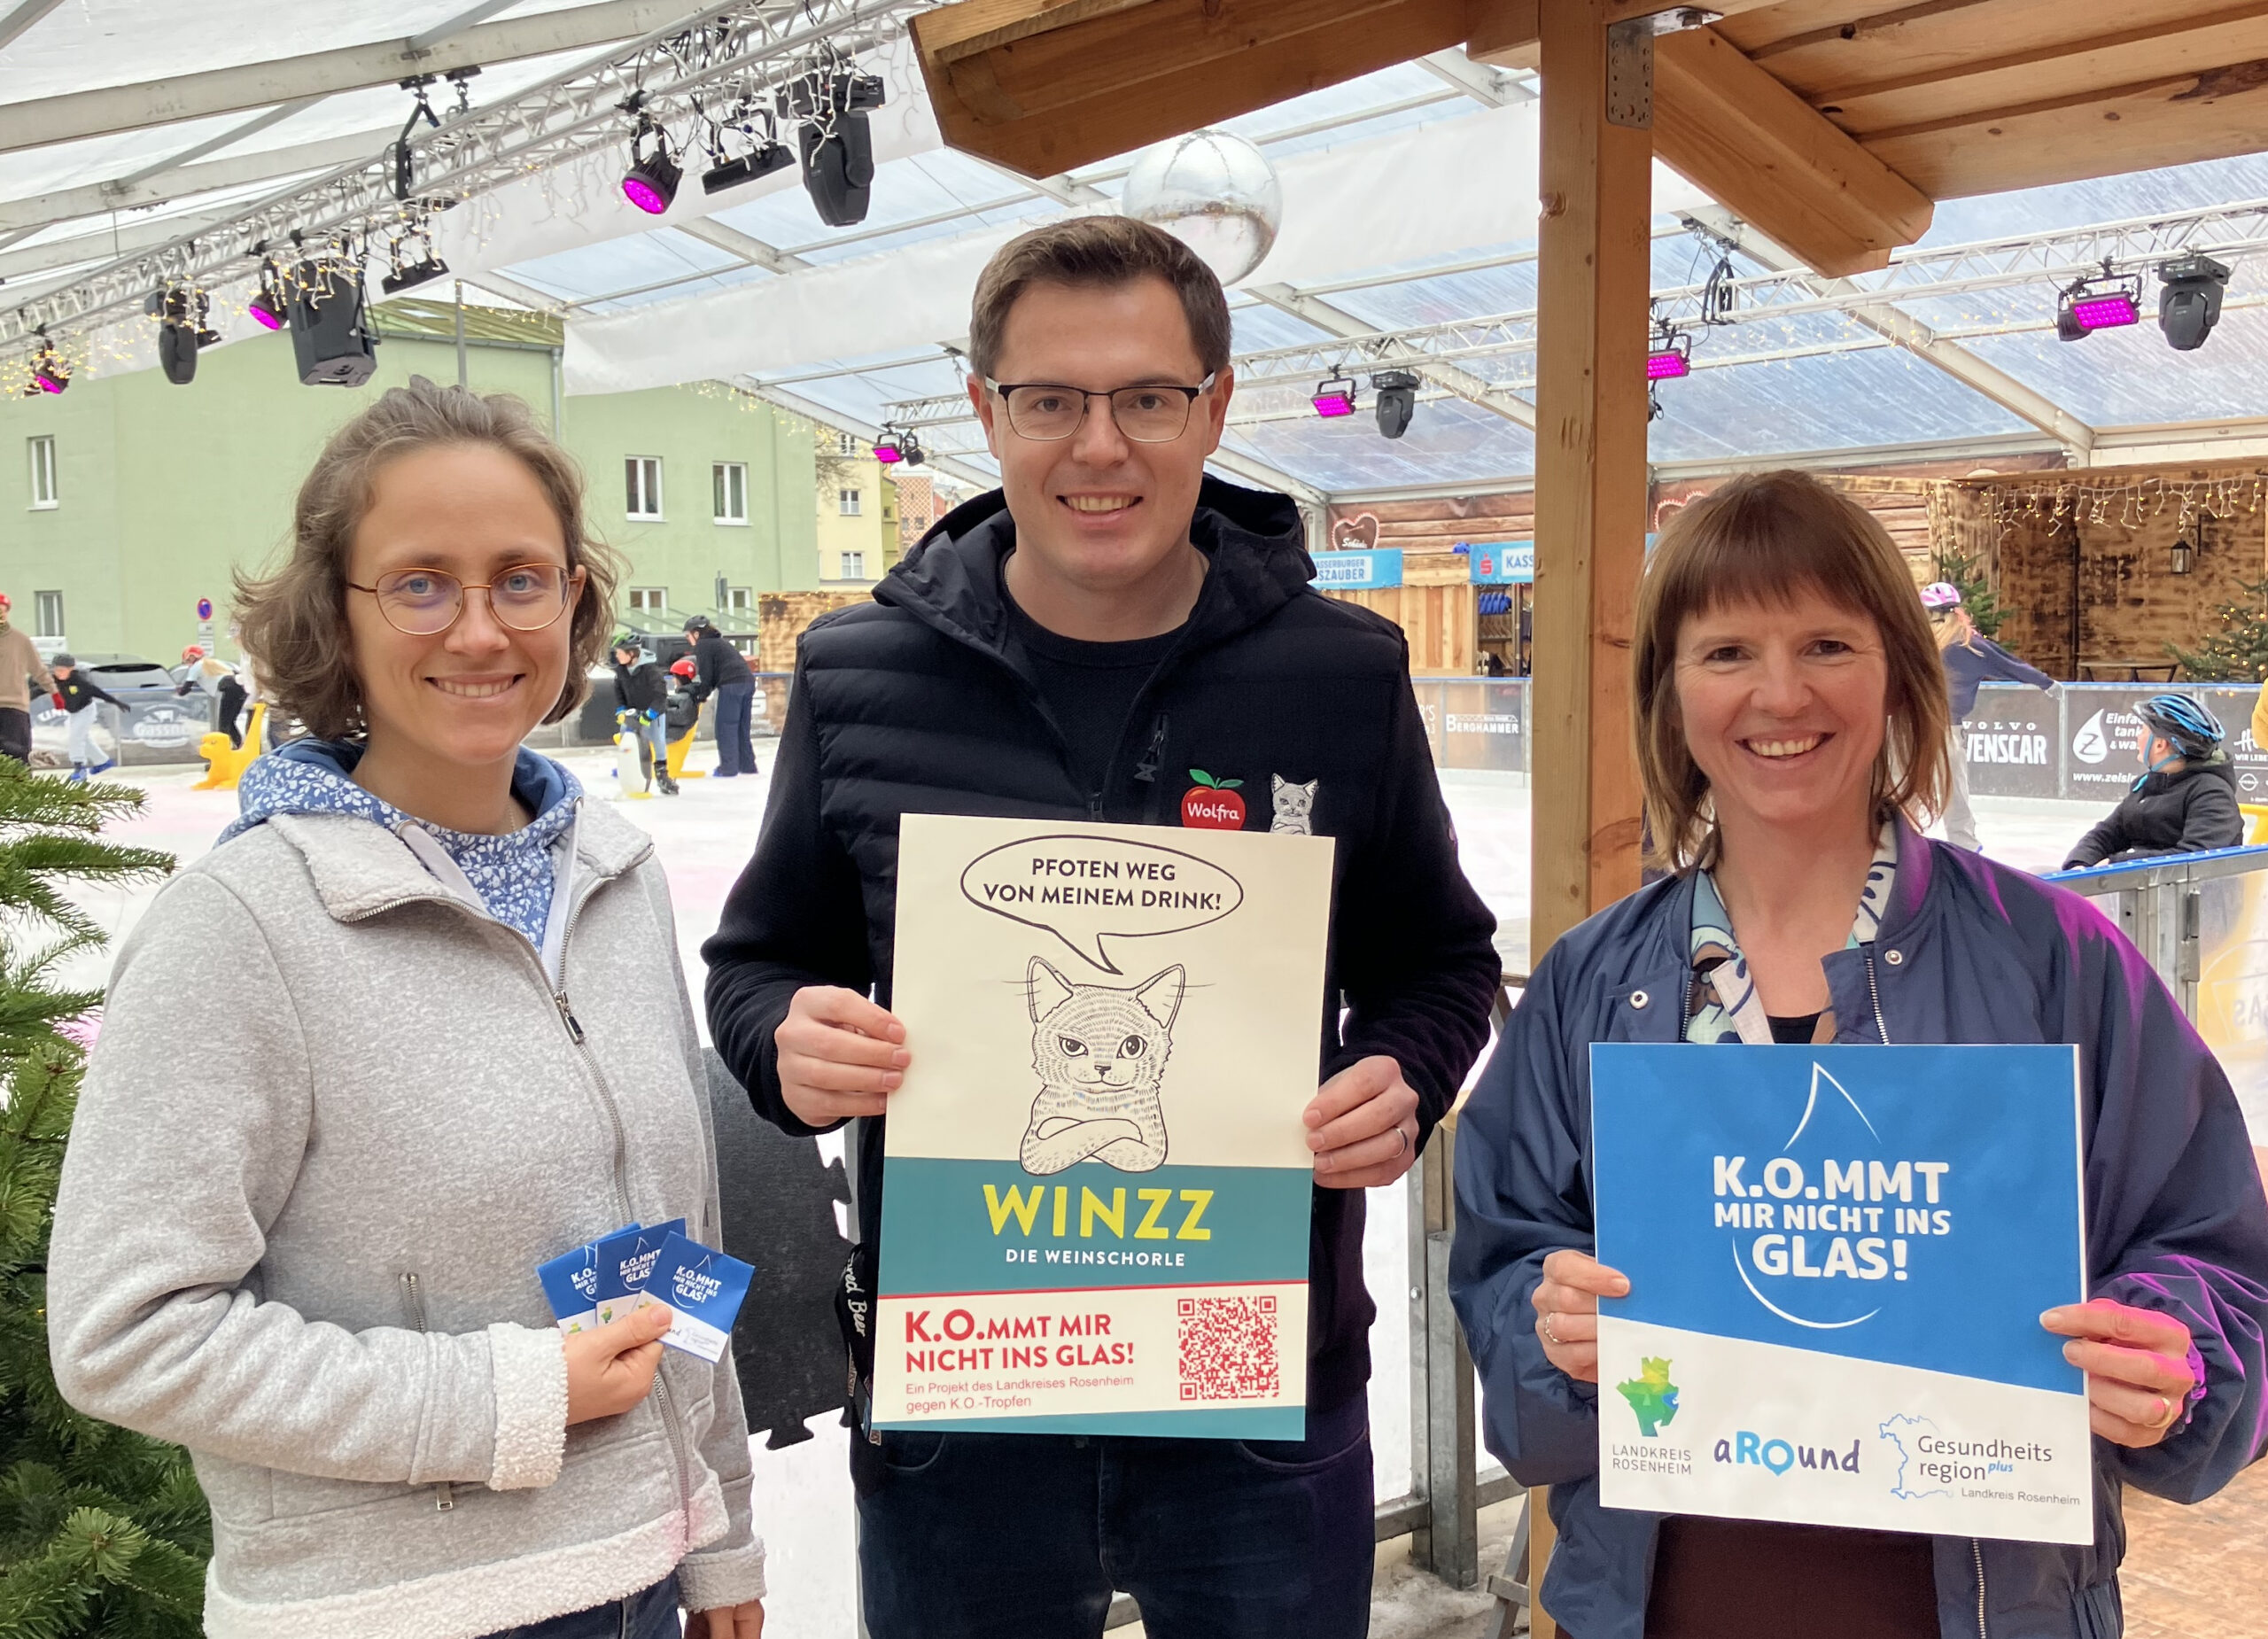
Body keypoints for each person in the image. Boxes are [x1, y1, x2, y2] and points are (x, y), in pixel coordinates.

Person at [703, 216, 1501, 1639]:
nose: (1099, 445)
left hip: (1258, 1392)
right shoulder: (860, 674)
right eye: (1049, 400)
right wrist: (786, 1042)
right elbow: (759, 962)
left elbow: (1438, 961)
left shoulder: (1341, 674)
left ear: (1216, 406)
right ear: (983, 410)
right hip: (966, 1399)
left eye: (1147, 397)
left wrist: (1404, 1075)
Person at [1450, 470, 2268, 1639]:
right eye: (1727, 651)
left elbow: (2219, 1259)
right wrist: (1549, 1329)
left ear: (1896, 672)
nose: (1779, 693)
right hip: (1662, 1608)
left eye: (1826, 643)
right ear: (1671, 690)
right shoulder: (1592, 980)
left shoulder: (2056, 959)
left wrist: (2167, 1349)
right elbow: (1502, 1266)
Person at [47, 379, 768, 1639]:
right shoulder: (243, 926)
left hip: (643, 1582)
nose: (480, 630)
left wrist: (719, 1537)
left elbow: (676, 1249)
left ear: (573, 600)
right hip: (401, 1610)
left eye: (520, 579)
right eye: (421, 584)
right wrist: (502, 1397)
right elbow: (127, 1332)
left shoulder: (616, 877)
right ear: (337, 611)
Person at [1922, 581, 2056, 852]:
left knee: (1910, 791)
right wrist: (2046, 683)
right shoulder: (1965, 645)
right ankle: (1964, 845)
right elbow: (2009, 664)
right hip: (1936, 728)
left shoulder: (1934, 643)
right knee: (1952, 793)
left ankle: (1900, 843)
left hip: (1910, 726)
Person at [2062, 692, 2242, 869]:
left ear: (2160, 744)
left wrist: (2117, 865)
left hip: (2187, 887)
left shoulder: (2212, 794)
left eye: (2142, 730)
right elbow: (2108, 833)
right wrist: (2079, 863)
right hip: (2143, 884)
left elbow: (2195, 859)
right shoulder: (2148, 784)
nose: (2137, 737)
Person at [683, 616, 756, 778]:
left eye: (688, 635)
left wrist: (701, 694)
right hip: (747, 682)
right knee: (741, 727)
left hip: (731, 685)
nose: (687, 639)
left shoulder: (703, 645)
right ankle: (747, 766)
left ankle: (728, 768)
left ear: (696, 633)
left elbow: (707, 674)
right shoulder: (719, 642)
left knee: (726, 726)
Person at [612, 636, 680, 795]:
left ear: (631, 654)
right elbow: (619, 691)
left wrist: (650, 714)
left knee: (658, 741)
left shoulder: (651, 671)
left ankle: (662, 774)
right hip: (632, 712)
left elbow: (660, 696)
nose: (617, 656)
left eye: (620, 652)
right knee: (626, 737)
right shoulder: (621, 671)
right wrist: (621, 709)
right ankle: (631, 767)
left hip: (653, 712)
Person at [0, 592, 55, 764]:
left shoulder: (20, 640)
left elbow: (39, 670)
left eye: (3, 610)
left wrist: (54, 692)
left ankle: (24, 770)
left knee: (18, 758)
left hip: (14, 707)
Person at [49, 652, 120, 781]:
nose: (58, 673)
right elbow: (38, 689)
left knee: (76, 737)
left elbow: (95, 691)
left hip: (86, 710)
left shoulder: (79, 679)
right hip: (73, 713)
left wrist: (116, 702)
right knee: (82, 737)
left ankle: (79, 767)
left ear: (71, 669)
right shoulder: (54, 679)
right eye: (56, 669)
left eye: (62, 670)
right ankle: (102, 761)